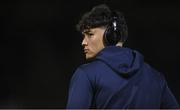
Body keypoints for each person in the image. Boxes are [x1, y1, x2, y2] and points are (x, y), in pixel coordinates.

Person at [66, 4, 179, 109]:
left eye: (90, 34)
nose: (83, 42)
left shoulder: (86, 74)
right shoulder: (156, 77)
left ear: (111, 35)